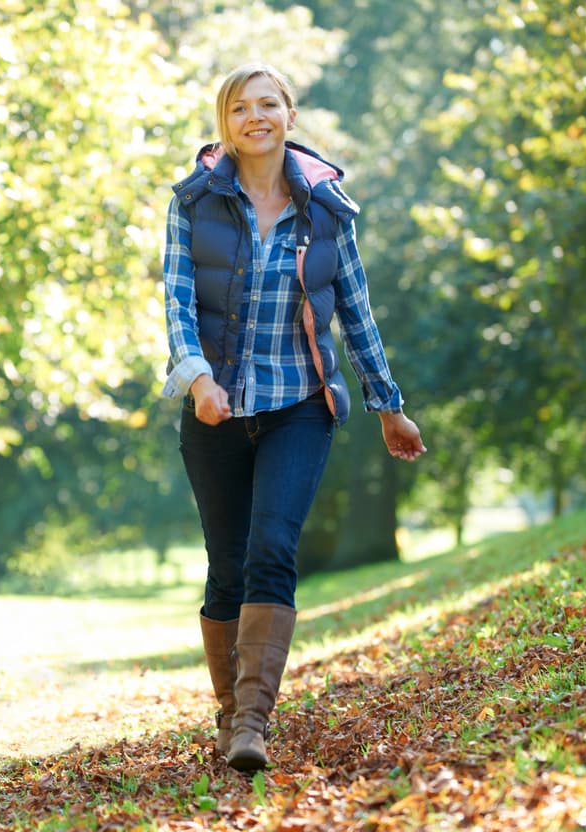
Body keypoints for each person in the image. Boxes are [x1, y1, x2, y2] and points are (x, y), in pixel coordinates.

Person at [161, 63, 426, 773]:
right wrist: (197, 380)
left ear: (290, 115)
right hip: (216, 411)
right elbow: (177, 305)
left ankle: (252, 724)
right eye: (241, 107)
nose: (256, 117)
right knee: (226, 567)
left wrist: (388, 405)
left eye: (269, 104)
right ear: (226, 123)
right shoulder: (192, 203)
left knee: (272, 549)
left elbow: (358, 312)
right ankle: (228, 714)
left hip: (300, 406)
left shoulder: (328, 210)